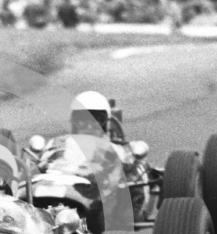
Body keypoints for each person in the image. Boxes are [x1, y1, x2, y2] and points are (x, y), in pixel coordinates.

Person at [36, 91, 151, 223]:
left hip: (93, 193)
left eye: (96, 119)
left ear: (105, 121)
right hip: (58, 182)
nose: (89, 124)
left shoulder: (116, 148)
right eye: (82, 119)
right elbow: (42, 164)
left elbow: (132, 170)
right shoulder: (58, 142)